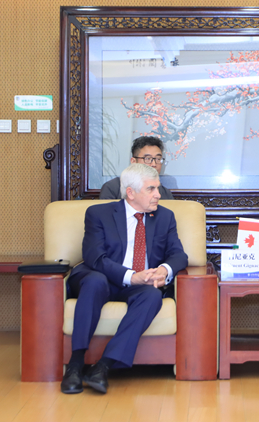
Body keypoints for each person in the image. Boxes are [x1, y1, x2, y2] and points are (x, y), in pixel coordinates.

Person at [61, 163, 188, 394]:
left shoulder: (165, 217)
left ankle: (103, 366)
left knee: (152, 296)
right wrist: (131, 276)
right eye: (151, 189)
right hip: (102, 278)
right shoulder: (99, 214)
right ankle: (75, 364)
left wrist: (164, 270)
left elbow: (179, 255)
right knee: (95, 281)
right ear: (130, 192)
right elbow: (94, 257)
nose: (158, 195)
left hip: (141, 285)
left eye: (158, 188)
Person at [100, 136, 174, 200]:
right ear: (133, 161)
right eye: (148, 159)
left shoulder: (165, 193)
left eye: (158, 159)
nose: (154, 164)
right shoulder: (112, 188)